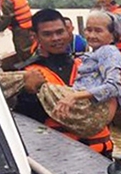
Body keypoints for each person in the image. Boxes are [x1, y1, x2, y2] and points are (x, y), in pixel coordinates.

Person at [13, 9, 114, 158]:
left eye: (60, 32)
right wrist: (29, 93)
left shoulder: (89, 64)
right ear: (35, 36)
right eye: (47, 34)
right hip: (62, 156)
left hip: (102, 152)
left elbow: (118, 104)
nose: (56, 38)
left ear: (68, 31)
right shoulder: (27, 73)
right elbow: (26, 122)